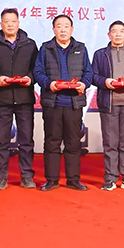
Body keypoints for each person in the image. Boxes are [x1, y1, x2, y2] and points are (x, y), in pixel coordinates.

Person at [33, 14, 93, 191]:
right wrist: (49, 84)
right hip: (53, 103)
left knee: (73, 143)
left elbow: (88, 72)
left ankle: (73, 179)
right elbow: (38, 72)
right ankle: (51, 180)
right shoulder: (45, 48)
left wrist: (84, 84)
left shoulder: (81, 48)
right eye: (59, 26)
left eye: (66, 26)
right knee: (52, 142)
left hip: (74, 103)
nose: (63, 30)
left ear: (72, 29)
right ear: (54, 30)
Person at [0, 8, 38, 190]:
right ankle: (0, 177)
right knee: (1, 141)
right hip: (2, 99)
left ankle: (27, 176)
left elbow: (37, 69)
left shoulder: (30, 44)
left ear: (19, 23)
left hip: (24, 98)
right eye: (7, 21)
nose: (10, 24)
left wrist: (30, 78)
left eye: (13, 21)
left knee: (26, 140)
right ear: (1, 24)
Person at [91, 20, 124, 191]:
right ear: (109, 35)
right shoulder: (100, 54)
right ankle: (110, 178)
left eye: (121, 31)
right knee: (110, 143)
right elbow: (93, 76)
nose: (118, 34)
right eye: (114, 31)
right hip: (109, 104)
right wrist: (105, 81)